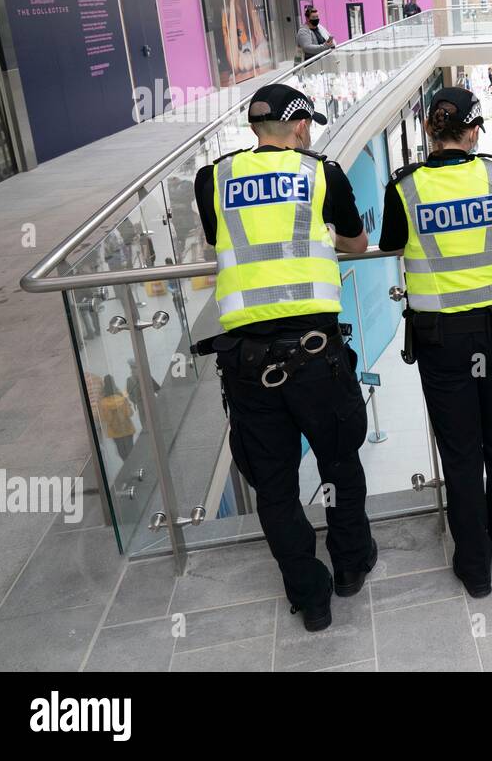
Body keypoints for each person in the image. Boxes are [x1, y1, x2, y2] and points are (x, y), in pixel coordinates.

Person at [191, 83, 373, 632]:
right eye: (307, 124)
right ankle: (350, 566)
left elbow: (220, 242)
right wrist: (319, 239)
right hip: (317, 356)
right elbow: (357, 244)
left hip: (248, 364)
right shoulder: (322, 172)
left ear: (255, 129)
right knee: (339, 462)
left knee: (274, 485)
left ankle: (311, 598)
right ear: (298, 127)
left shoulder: (212, 178)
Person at [379, 86, 492, 600]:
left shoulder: (404, 187)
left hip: (442, 340)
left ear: (428, 130)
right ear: (473, 131)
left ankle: (475, 568)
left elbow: (391, 244)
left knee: (461, 453)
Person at [98, 374, 135, 461]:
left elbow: (103, 419)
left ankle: (127, 466)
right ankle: (134, 465)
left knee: (122, 453)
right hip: (127, 429)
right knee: (131, 452)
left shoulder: (103, 403)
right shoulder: (121, 398)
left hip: (115, 432)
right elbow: (130, 413)